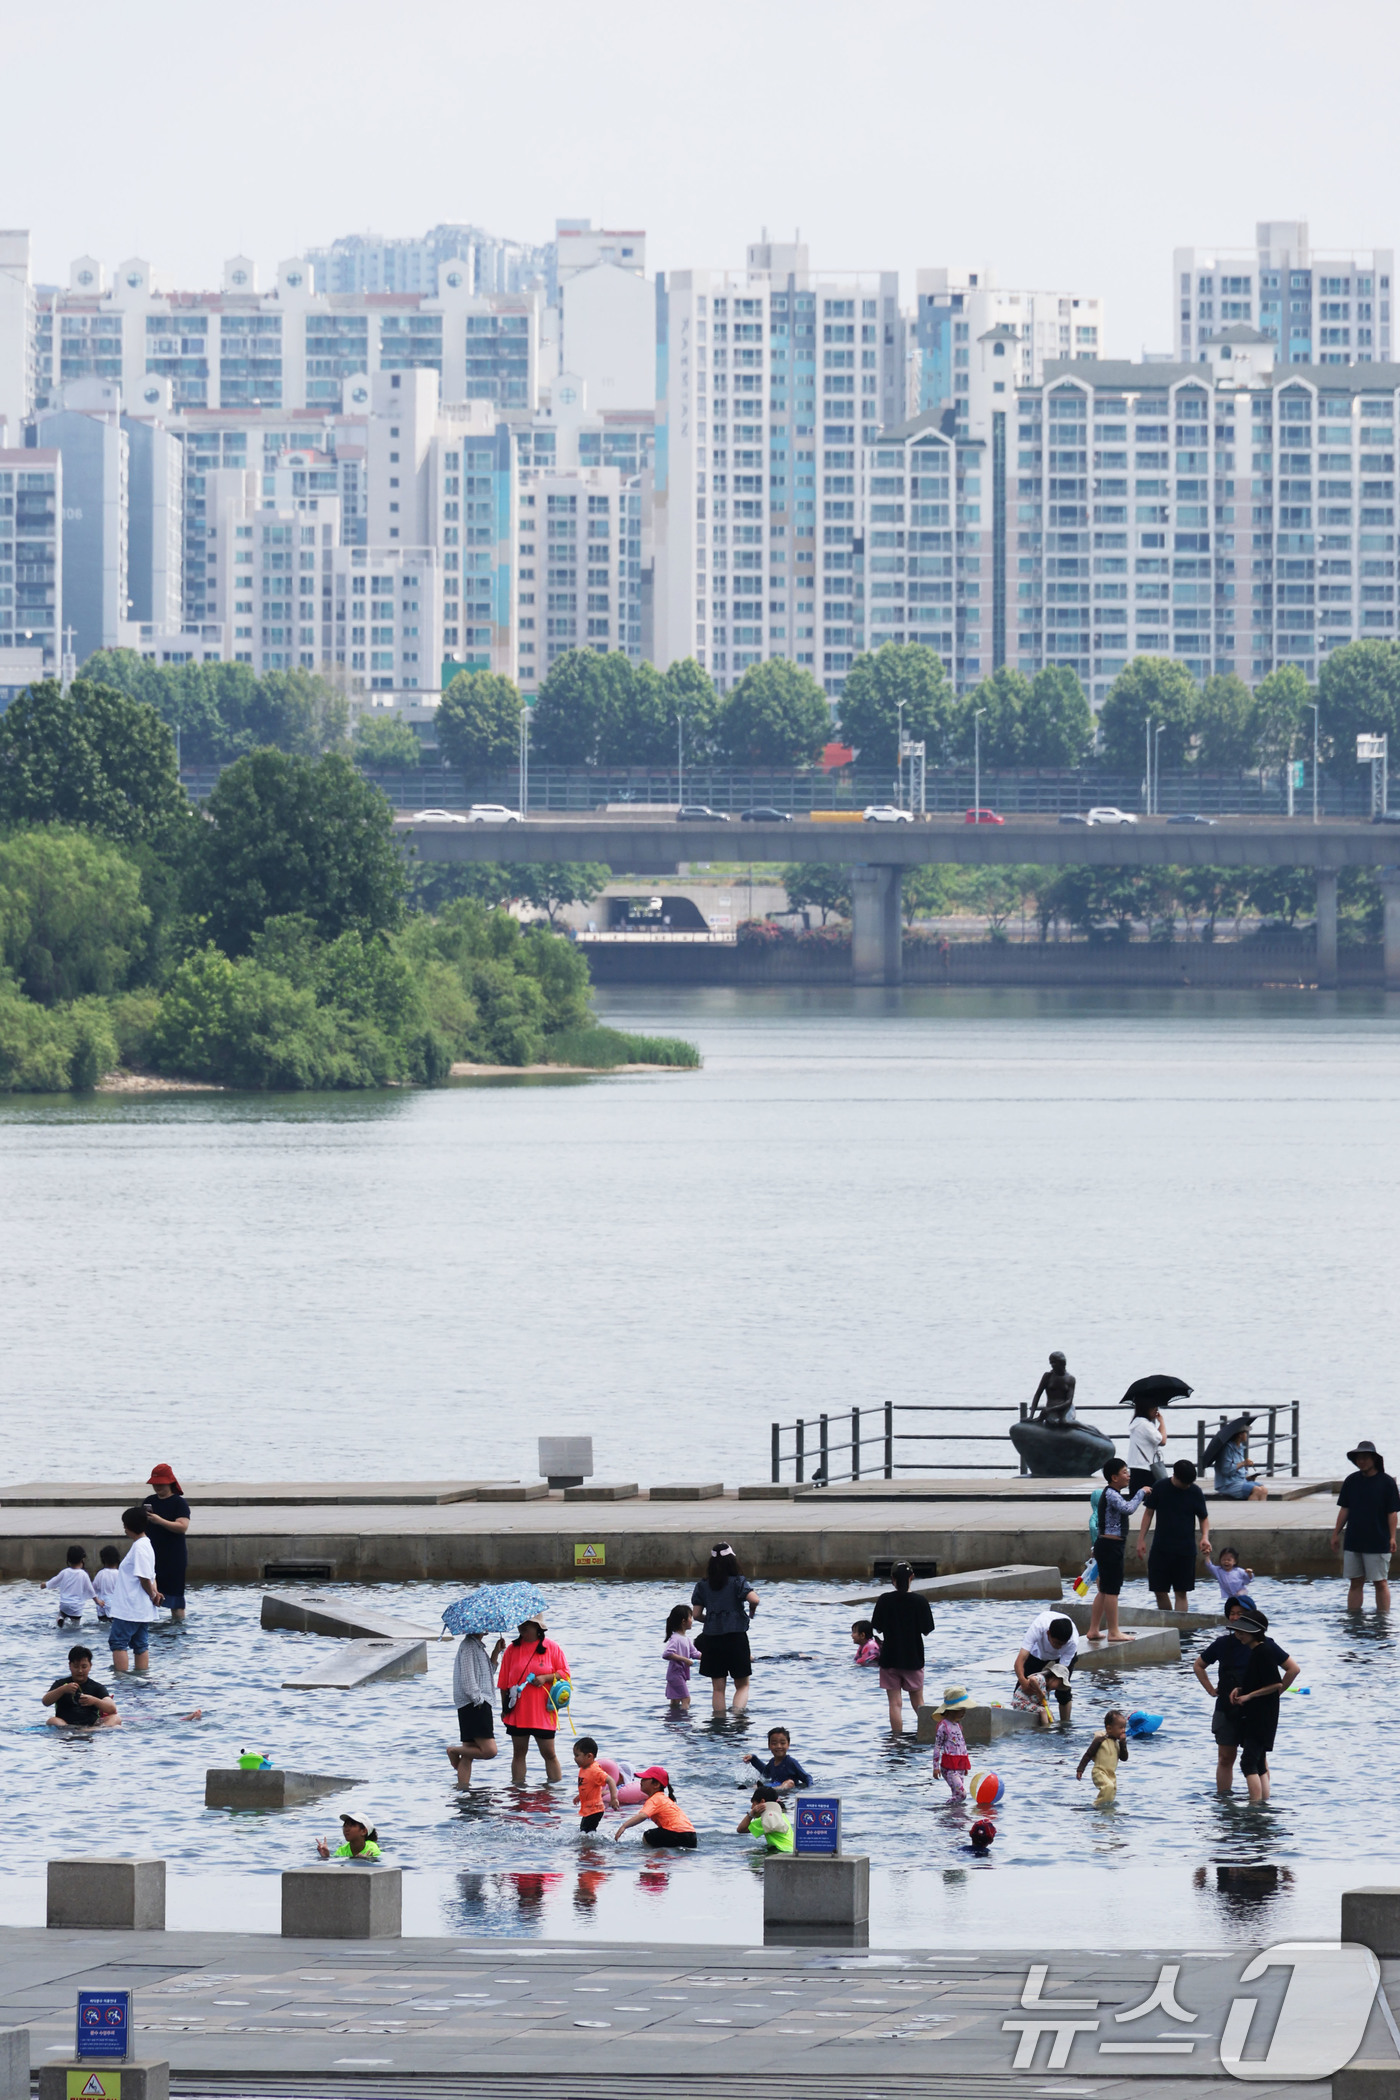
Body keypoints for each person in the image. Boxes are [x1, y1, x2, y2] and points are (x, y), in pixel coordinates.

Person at [1225, 1610, 1299, 1803]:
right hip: (1260, 1712)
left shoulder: (1263, 1651)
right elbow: (1262, 1681)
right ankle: (1263, 1802)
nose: (1238, 1635)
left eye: (1242, 1632)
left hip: (1260, 1715)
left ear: (1254, 1632)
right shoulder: (1258, 1651)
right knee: (1258, 1762)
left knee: (1247, 1762)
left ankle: (1255, 1806)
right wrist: (1242, 1689)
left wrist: (1249, 1696)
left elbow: (1275, 1684)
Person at [497, 1617, 569, 1784]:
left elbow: (565, 1673)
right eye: (520, 1624)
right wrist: (504, 1709)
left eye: (526, 1625)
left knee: (549, 1753)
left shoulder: (551, 1647)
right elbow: (503, 1684)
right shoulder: (511, 1650)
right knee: (519, 1753)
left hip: (544, 1710)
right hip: (518, 1710)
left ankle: (554, 1791)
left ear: (537, 1627)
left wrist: (545, 1677)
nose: (522, 1628)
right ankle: (518, 1791)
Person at [1193, 1601, 1255, 1794]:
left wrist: (1273, 1694)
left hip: (1254, 1709)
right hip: (1225, 1709)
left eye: (1240, 1613)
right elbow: (1198, 1665)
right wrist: (1211, 1689)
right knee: (1225, 1758)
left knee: (1257, 1759)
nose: (1235, 1617)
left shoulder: (1260, 1644)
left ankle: (1259, 1801)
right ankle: (1223, 1799)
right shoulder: (1222, 1644)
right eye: (1232, 1613)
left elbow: (1284, 1672)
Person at [690, 1544, 759, 1718]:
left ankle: (719, 1723)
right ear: (732, 1561)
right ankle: (737, 1715)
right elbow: (755, 1599)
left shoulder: (703, 1585)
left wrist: (712, 1618)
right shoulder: (738, 1582)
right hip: (736, 1638)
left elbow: (696, 1615)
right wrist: (751, 1610)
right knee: (742, 1685)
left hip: (712, 1640)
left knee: (718, 1689)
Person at [1330, 1440, 1400, 1612]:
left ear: (1374, 1459)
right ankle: (1354, 1617)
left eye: (1365, 1458)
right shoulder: (1352, 1481)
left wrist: (1392, 1537)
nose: (1362, 1461)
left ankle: (1383, 1618)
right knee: (1355, 1581)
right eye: (1359, 1458)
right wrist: (1335, 1534)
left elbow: (1392, 1513)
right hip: (1354, 1539)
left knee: (1380, 1582)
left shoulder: (1386, 1482)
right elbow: (1344, 1509)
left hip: (1378, 1539)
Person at [1137, 1459, 1211, 1610]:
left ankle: (1181, 1628)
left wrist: (1205, 1537)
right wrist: (1141, 1539)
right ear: (1175, 1476)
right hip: (1161, 1548)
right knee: (1159, 1590)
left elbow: (1203, 1517)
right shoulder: (1160, 1487)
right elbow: (1148, 1513)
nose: (1187, 1486)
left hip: (1185, 1550)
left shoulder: (1195, 1491)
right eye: (1184, 1483)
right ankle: (1168, 1621)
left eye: (1189, 1483)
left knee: (1181, 1592)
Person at [870, 1562, 935, 1733]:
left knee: (895, 1703)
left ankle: (896, 1738)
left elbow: (877, 1627)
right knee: (918, 1702)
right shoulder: (920, 1601)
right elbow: (927, 1630)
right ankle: (930, 1734)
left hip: (889, 1658)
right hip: (913, 1658)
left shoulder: (884, 1599)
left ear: (892, 1579)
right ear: (912, 1577)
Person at [1088, 1462, 1147, 1641]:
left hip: (1107, 1546)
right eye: (1124, 1472)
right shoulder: (1112, 1494)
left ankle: (1093, 1630)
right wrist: (1141, 1493)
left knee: (1105, 1589)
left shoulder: (1112, 1493)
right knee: (1112, 1589)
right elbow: (1127, 1509)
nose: (1128, 1475)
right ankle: (1113, 1631)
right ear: (1114, 1477)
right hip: (1110, 1547)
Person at [446, 1630, 504, 1789]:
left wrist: (496, 1652)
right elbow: (467, 1679)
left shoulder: (477, 1647)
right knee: (490, 1750)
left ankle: (463, 1789)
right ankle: (452, 1751)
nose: (487, 1626)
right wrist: (478, 1700)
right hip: (475, 1704)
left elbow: (487, 1675)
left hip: (474, 1703)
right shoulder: (469, 1647)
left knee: (468, 1754)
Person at [107, 1508, 160, 1674]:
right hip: (141, 1608)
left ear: (128, 1526)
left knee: (118, 1642)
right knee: (140, 1644)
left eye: (124, 1525)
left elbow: (144, 1577)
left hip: (130, 1607)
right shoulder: (146, 1545)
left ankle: (122, 1680)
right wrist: (155, 1593)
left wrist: (153, 1594)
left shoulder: (139, 1547)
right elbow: (151, 1576)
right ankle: (141, 1678)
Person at [141, 1465, 192, 1621]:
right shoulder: (149, 1501)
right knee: (146, 1595)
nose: (157, 1487)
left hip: (173, 1557)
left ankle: (177, 1628)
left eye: (161, 1484)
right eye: (155, 1484)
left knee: (175, 1600)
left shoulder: (179, 1503)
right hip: (152, 1555)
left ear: (170, 1483)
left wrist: (159, 1520)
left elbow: (182, 1527)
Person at [1013, 1611, 1078, 1721]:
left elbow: (1060, 1673)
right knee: (1021, 1687)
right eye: (1056, 1643)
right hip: (1038, 1653)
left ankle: (1065, 1725)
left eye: (1062, 1644)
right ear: (1048, 1633)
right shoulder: (1038, 1628)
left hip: (1063, 1658)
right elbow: (1019, 1661)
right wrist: (1024, 1682)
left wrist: (1046, 1690)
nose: (1058, 1647)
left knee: (1063, 1692)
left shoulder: (1072, 1642)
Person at [613, 1766, 698, 1849]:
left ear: (656, 1784)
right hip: (691, 1837)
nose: (641, 1781)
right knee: (658, 1834)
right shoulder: (664, 1798)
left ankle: (654, 1857)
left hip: (677, 1834)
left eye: (645, 1779)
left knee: (648, 1835)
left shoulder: (655, 1799)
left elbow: (642, 1816)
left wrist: (624, 1826)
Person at [42, 1646, 119, 1729]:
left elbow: (112, 1708)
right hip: (65, 1724)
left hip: (91, 1725)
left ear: (90, 1666)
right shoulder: (60, 1684)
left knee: (116, 1718)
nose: (80, 1671)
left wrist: (94, 1701)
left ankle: (91, 1730)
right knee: (52, 1720)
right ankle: (76, 1730)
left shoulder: (97, 1687)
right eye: (76, 1666)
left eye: (84, 1667)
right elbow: (45, 1702)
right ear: (70, 1666)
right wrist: (63, 1690)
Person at [1076, 1708, 1129, 1808]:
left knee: (1111, 1792)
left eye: (1124, 1728)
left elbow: (1124, 1758)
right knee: (1108, 1787)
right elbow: (1088, 1754)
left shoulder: (1117, 1743)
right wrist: (1080, 1769)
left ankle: (1106, 1812)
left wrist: (1123, 1743)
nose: (1123, 1731)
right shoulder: (1100, 1740)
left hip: (1110, 1775)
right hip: (1099, 1772)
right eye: (1120, 1728)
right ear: (1109, 1729)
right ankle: (1096, 1807)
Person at [929, 1687, 973, 1800]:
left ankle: (954, 1814)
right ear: (951, 1710)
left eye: (964, 1709)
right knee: (962, 1794)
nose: (964, 1712)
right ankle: (945, 1808)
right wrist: (935, 1767)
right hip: (949, 1767)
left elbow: (962, 1746)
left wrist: (965, 1765)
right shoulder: (944, 1726)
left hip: (959, 1765)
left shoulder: (958, 1726)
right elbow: (937, 1746)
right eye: (960, 1709)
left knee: (956, 1795)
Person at [572, 1737, 620, 1833]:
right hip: (588, 1809)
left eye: (577, 1755)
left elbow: (611, 1780)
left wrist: (614, 1798)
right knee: (584, 1831)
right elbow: (587, 1786)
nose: (574, 1758)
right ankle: (589, 1846)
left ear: (589, 1756)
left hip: (595, 1809)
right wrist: (580, 1796)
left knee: (586, 1832)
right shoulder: (584, 1768)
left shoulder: (595, 1770)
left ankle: (589, 1847)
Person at [41, 1547, 97, 1627]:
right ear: (82, 1560)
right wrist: (97, 1601)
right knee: (75, 1625)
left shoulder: (65, 1572)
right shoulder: (83, 1574)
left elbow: (54, 1581)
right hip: (76, 1608)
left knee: (61, 1613)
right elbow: (91, 1590)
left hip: (65, 1605)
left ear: (69, 1560)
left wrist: (45, 1584)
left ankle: (60, 1618)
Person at [742, 1726, 812, 1790]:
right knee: (757, 1785)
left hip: (786, 1789)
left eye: (782, 1743)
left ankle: (772, 1789)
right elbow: (764, 1772)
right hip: (774, 1786)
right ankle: (748, 1789)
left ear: (788, 1745)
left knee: (789, 1782)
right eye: (774, 1743)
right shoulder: (772, 1762)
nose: (778, 1746)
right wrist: (753, 1758)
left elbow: (807, 1777)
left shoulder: (791, 1762)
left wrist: (810, 1789)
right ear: (769, 1746)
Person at [1214, 1426, 1267, 1503]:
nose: (1246, 1435)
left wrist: (1248, 1477)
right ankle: (1251, 1511)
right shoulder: (1227, 1449)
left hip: (1241, 1481)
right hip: (1228, 1484)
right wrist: (1243, 1463)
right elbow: (1226, 1470)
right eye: (1245, 1433)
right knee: (1256, 1490)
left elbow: (1241, 1470)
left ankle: (1261, 1512)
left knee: (1264, 1489)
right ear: (1240, 1435)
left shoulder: (1240, 1447)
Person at [662, 1605, 701, 1708]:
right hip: (675, 1674)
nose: (692, 1620)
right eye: (690, 1618)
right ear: (683, 1621)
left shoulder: (686, 1639)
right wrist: (685, 1660)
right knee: (686, 1699)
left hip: (679, 1674)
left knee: (675, 1701)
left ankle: (672, 1719)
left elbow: (695, 1654)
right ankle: (685, 1721)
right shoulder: (675, 1638)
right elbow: (666, 1654)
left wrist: (710, 1657)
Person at [1126, 1398, 1167, 1493]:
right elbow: (1163, 1440)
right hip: (1146, 1468)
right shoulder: (1145, 1425)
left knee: (1137, 1498)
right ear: (1146, 1409)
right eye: (1154, 1408)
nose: (1156, 1410)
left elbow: (1158, 1437)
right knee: (1151, 1498)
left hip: (1135, 1466)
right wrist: (1162, 1421)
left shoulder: (1136, 1423)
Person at [737, 1784, 793, 1852]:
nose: (752, 1807)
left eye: (753, 1804)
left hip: (782, 1852)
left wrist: (751, 1814)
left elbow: (741, 1829)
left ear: (762, 1802)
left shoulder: (766, 1819)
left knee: (741, 1853)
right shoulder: (781, 1815)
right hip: (791, 1850)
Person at [1029, 1350, 1076, 1427]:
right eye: (1051, 1363)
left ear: (1062, 1364)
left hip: (1066, 1408)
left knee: (1065, 1422)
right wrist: (1031, 1416)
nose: (1052, 1365)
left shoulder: (1070, 1379)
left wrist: (1051, 1409)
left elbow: (1069, 1401)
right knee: (1054, 1422)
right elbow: (1037, 1395)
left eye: (1054, 1363)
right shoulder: (1047, 1376)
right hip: (1051, 1406)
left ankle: (1089, 1429)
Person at [1203, 1544, 1257, 1610]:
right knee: (1231, 1605)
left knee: (1239, 1598)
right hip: (1230, 1595)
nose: (1226, 1562)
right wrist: (1207, 1556)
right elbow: (1209, 1566)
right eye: (1223, 1560)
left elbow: (1249, 1579)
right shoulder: (1219, 1571)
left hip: (1242, 1591)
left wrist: (1249, 1573)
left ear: (1234, 1561)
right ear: (1220, 1560)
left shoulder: (1238, 1571)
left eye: (1229, 1560)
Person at [92, 1545, 121, 1622]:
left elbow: (91, 1591)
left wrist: (97, 1601)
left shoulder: (100, 1574)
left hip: (102, 1606)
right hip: (116, 1609)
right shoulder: (120, 1574)